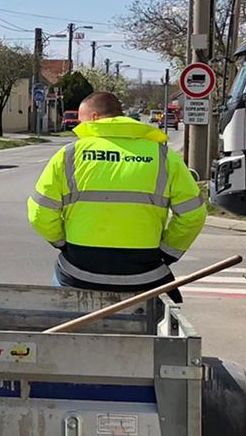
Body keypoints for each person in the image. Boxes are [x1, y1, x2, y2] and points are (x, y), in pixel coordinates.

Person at [27, 90, 206, 292]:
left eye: (80, 120)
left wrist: (63, 243)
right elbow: (194, 215)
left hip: (79, 272)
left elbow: (39, 212)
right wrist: (166, 253)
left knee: (62, 298)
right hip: (143, 275)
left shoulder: (69, 155)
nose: (77, 126)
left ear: (94, 118)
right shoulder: (164, 156)